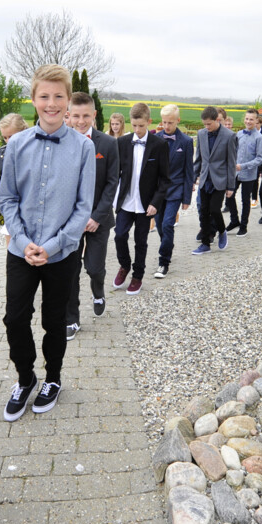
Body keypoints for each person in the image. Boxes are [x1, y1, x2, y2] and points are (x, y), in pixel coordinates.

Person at [0, 64, 95, 422]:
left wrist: (52, 246)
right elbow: (7, 198)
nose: (51, 104)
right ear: (33, 99)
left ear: (68, 100)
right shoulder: (17, 144)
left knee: (55, 321)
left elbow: (83, 206)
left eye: (58, 97)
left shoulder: (83, 148)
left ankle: (52, 378)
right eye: (44, 96)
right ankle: (25, 378)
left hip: (62, 254)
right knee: (14, 318)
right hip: (20, 251)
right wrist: (23, 242)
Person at [64, 92, 120, 340]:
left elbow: (111, 183)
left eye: (86, 115)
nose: (81, 120)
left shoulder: (108, 144)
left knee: (94, 268)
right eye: (76, 115)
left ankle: (98, 291)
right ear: (68, 115)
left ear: (94, 115)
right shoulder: (61, 141)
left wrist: (96, 217)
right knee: (69, 272)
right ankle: (72, 320)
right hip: (68, 222)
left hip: (99, 219)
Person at [112, 102, 171, 294]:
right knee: (119, 235)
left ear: (149, 122)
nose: (137, 130)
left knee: (141, 241)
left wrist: (156, 203)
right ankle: (125, 265)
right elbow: (115, 174)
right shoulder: (122, 143)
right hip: (126, 201)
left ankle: (137, 276)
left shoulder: (160, 145)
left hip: (146, 204)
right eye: (134, 125)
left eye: (141, 126)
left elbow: (164, 179)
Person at [152, 104, 194, 278]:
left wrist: (187, 198)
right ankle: (167, 244)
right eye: (164, 122)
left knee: (168, 224)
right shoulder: (155, 139)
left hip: (175, 190)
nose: (167, 126)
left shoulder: (186, 142)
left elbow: (188, 171)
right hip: (156, 192)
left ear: (178, 120)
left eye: (170, 122)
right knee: (161, 226)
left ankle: (164, 262)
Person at [191, 106, 238, 255]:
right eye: (204, 124)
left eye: (209, 124)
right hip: (205, 179)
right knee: (203, 211)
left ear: (217, 120)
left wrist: (231, 186)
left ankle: (222, 231)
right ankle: (205, 244)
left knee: (214, 209)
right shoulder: (201, 134)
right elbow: (198, 159)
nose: (206, 127)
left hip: (220, 179)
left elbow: (231, 163)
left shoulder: (229, 136)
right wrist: (193, 179)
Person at [0, 113, 28, 246]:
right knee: (11, 248)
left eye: (12, 136)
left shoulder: (34, 151)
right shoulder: (2, 153)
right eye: (5, 137)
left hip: (30, 207)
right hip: (11, 207)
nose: (9, 141)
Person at [226, 108, 262, 236]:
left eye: (251, 119)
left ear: (256, 120)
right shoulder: (238, 134)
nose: (248, 121)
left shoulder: (259, 137)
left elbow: (260, 158)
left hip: (249, 174)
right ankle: (234, 221)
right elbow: (233, 151)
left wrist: (243, 166)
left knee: (245, 200)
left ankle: (244, 226)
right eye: (247, 119)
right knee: (228, 196)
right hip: (235, 173)